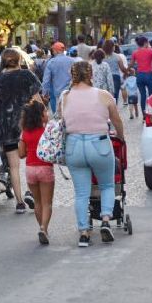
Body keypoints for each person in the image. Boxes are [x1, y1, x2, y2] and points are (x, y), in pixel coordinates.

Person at [61, 61, 125, 248]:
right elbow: (117, 120)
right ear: (91, 75)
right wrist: (120, 137)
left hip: (74, 146)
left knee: (81, 193)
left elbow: (62, 121)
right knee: (106, 185)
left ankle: (83, 233)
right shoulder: (103, 95)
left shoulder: (65, 97)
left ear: (72, 75)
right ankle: (105, 220)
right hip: (99, 144)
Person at [0, 48, 43, 214]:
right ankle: (31, 193)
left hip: (6, 127)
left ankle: (19, 203)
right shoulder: (27, 75)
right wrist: (45, 118)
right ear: (19, 60)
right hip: (29, 123)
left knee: (14, 167)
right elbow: (37, 100)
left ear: (3, 62)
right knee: (32, 162)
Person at [18, 101, 54, 245]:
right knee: (47, 203)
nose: (47, 114)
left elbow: (20, 154)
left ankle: (41, 227)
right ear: (40, 116)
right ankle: (44, 229)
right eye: (45, 112)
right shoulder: (47, 131)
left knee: (37, 202)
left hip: (30, 170)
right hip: (45, 168)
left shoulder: (24, 132)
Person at [41, 42, 75, 114]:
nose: (53, 52)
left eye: (53, 50)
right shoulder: (72, 61)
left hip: (57, 94)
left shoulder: (51, 62)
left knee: (58, 115)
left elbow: (46, 80)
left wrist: (44, 93)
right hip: (71, 92)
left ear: (56, 51)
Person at [130, 37, 152, 114]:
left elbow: (131, 64)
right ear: (145, 42)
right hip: (149, 74)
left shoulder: (135, 53)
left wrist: (127, 70)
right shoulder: (151, 51)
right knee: (151, 95)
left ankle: (144, 114)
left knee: (142, 95)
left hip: (139, 76)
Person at [102, 39, 128, 103]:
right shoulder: (117, 56)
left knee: (105, 96)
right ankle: (113, 109)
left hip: (104, 78)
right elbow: (122, 68)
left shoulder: (102, 56)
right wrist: (127, 72)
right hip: (115, 77)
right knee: (115, 96)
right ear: (113, 47)